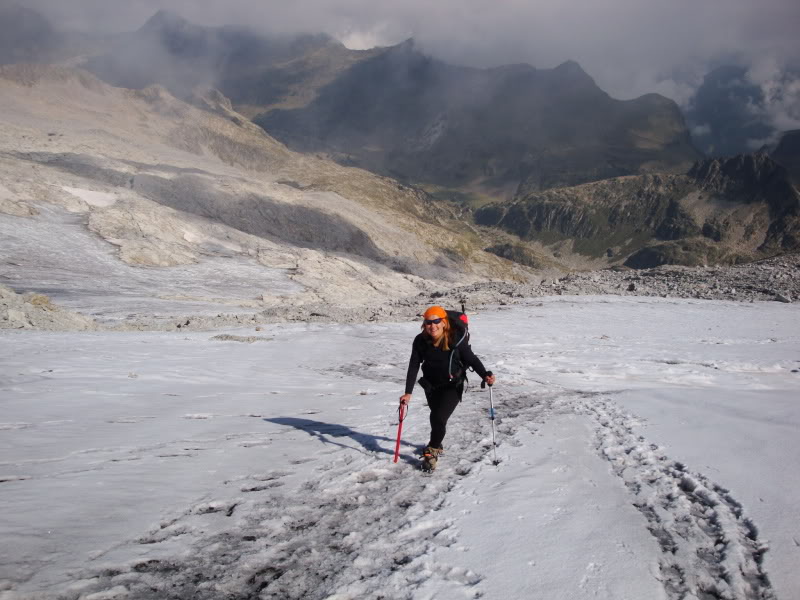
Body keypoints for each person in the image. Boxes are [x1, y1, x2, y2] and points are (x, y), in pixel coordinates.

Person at [399, 305, 496, 470]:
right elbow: (414, 365)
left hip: (452, 386)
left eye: (436, 321)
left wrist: (485, 374)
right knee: (435, 418)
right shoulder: (420, 340)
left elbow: (471, 359)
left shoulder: (455, 338)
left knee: (438, 417)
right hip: (431, 385)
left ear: (444, 322)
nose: (432, 326)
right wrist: (408, 392)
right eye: (428, 322)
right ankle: (437, 441)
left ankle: (432, 450)